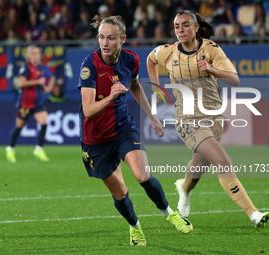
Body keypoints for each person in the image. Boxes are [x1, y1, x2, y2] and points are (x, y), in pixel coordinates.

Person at [147, 10, 269, 229]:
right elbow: (150, 59)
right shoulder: (167, 52)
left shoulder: (211, 50)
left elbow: (235, 80)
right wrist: (157, 89)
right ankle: (253, 213)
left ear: (196, 28)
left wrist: (212, 69)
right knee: (223, 162)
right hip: (187, 119)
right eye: (177, 27)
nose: (180, 30)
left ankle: (184, 188)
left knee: (199, 165)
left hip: (214, 118)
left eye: (186, 25)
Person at [78, 15, 193, 246]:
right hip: (95, 140)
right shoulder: (89, 66)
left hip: (123, 129)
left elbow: (135, 86)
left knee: (143, 175)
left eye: (111, 38)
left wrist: (152, 117)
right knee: (120, 193)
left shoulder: (131, 60)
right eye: (101, 37)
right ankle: (135, 228)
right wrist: (111, 95)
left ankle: (169, 213)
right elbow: (88, 110)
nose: (105, 43)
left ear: (123, 39)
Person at [6, 45, 55, 163]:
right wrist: (38, 81)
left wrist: (47, 87)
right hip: (25, 102)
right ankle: (10, 148)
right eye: (33, 53)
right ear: (28, 56)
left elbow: (51, 77)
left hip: (37, 101)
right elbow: (21, 83)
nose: (35, 56)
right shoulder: (25, 68)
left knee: (44, 122)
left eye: (37, 53)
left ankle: (39, 149)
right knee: (19, 127)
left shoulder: (41, 68)